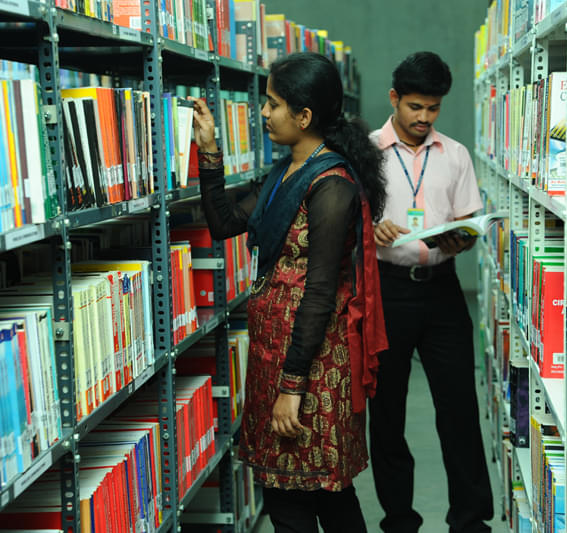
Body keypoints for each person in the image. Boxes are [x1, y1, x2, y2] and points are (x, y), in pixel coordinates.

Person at [188, 52, 388, 533]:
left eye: (272, 104)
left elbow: (320, 291)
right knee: (284, 493)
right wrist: (209, 151)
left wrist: (292, 389)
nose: (262, 113)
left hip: (313, 368)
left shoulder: (332, 185)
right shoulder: (285, 172)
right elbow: (224, 222)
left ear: (304, 116)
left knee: (323, 496)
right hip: (271, 355)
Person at [369, 51, 494, 533]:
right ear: (395, 98)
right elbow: (345, 222)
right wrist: (371, 230)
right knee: (387, 414)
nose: (424, 118)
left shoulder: (456, 154)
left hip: (443, 291)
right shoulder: (365, 152)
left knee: (459, 409)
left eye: (434, 108)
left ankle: (470, 521)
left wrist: (460, 236)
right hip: (387, 291)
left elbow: (469, 222)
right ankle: (399, 520)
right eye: (416, 107)